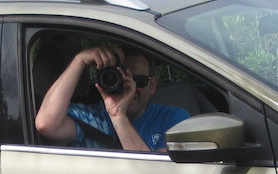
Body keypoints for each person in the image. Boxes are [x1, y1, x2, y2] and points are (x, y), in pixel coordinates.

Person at [35, 45, 189, 151]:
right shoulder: (92, 117)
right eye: (121, 79)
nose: (130, 86)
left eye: (139, 81)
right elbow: (46, 125)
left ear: (152, 85)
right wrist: (79, 61)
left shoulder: (173, 119)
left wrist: (119, 119)